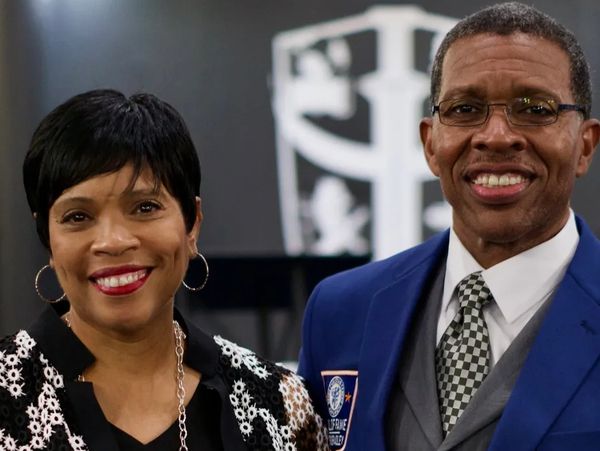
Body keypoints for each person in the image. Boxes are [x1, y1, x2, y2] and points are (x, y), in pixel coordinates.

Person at [297, 2, 600, 450]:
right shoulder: (340, 312)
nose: (496, 136)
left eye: (535, 109)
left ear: (585, 146)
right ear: (430, 144)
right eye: (465, 109)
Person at [0, 89, 328, 451]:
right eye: (78, 216)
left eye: (144, 208)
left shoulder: (280, 404)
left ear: (192, 224)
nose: (113, 241)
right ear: (47, 238)